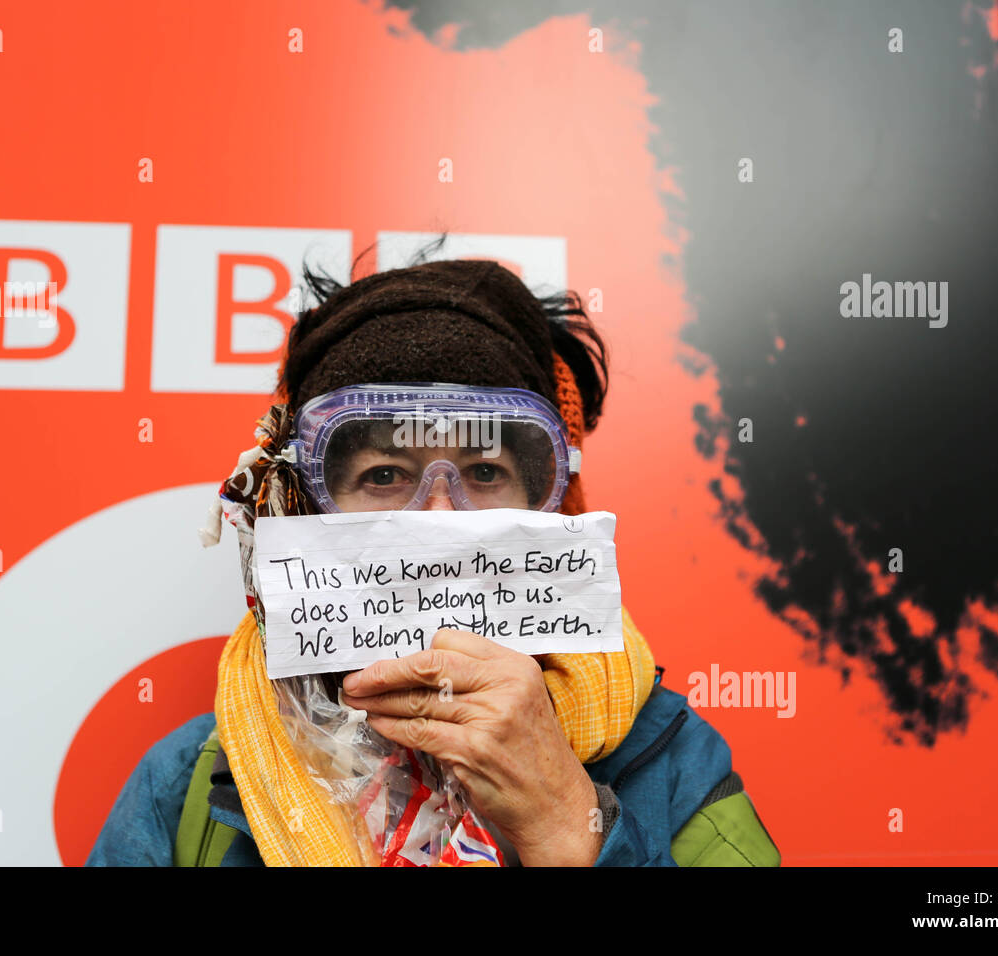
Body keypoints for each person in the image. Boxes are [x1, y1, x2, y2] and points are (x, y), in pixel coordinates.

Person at [86, 253, 780, 867]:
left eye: (484, 472)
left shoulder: (673, 763)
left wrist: (570, 825)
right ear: (300, 507)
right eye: (385, 476)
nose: (440, 520)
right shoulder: (188, 784)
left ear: (551, 506)